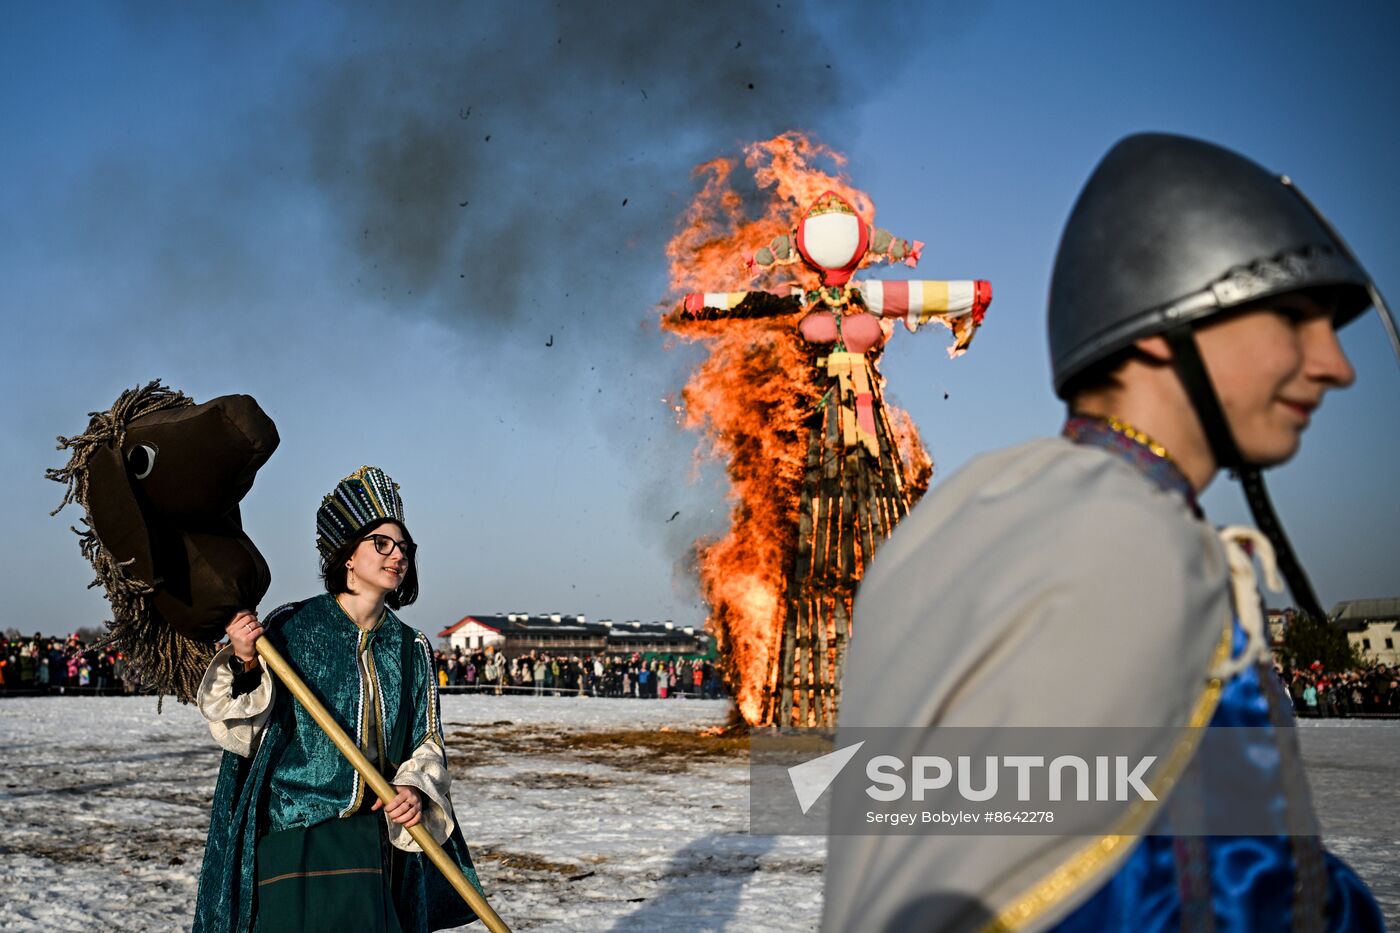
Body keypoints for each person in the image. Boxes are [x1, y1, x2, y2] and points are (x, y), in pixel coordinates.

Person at [821, 134, 1387, 931]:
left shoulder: (967, 517)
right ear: (1164, 322)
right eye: (1294, 318)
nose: (1336, 363)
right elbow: (1199, 889)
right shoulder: (1134, 542)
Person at [194, 466, 483, 932]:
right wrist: (246, 658)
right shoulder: (292, 627)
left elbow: (426, 741)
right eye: (382, 544)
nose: (397, 556)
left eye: (405, 548)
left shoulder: (411, 647)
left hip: (371, 844)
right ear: (348, 556)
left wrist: (414, 790)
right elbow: (245, 731)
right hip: (296, 835)